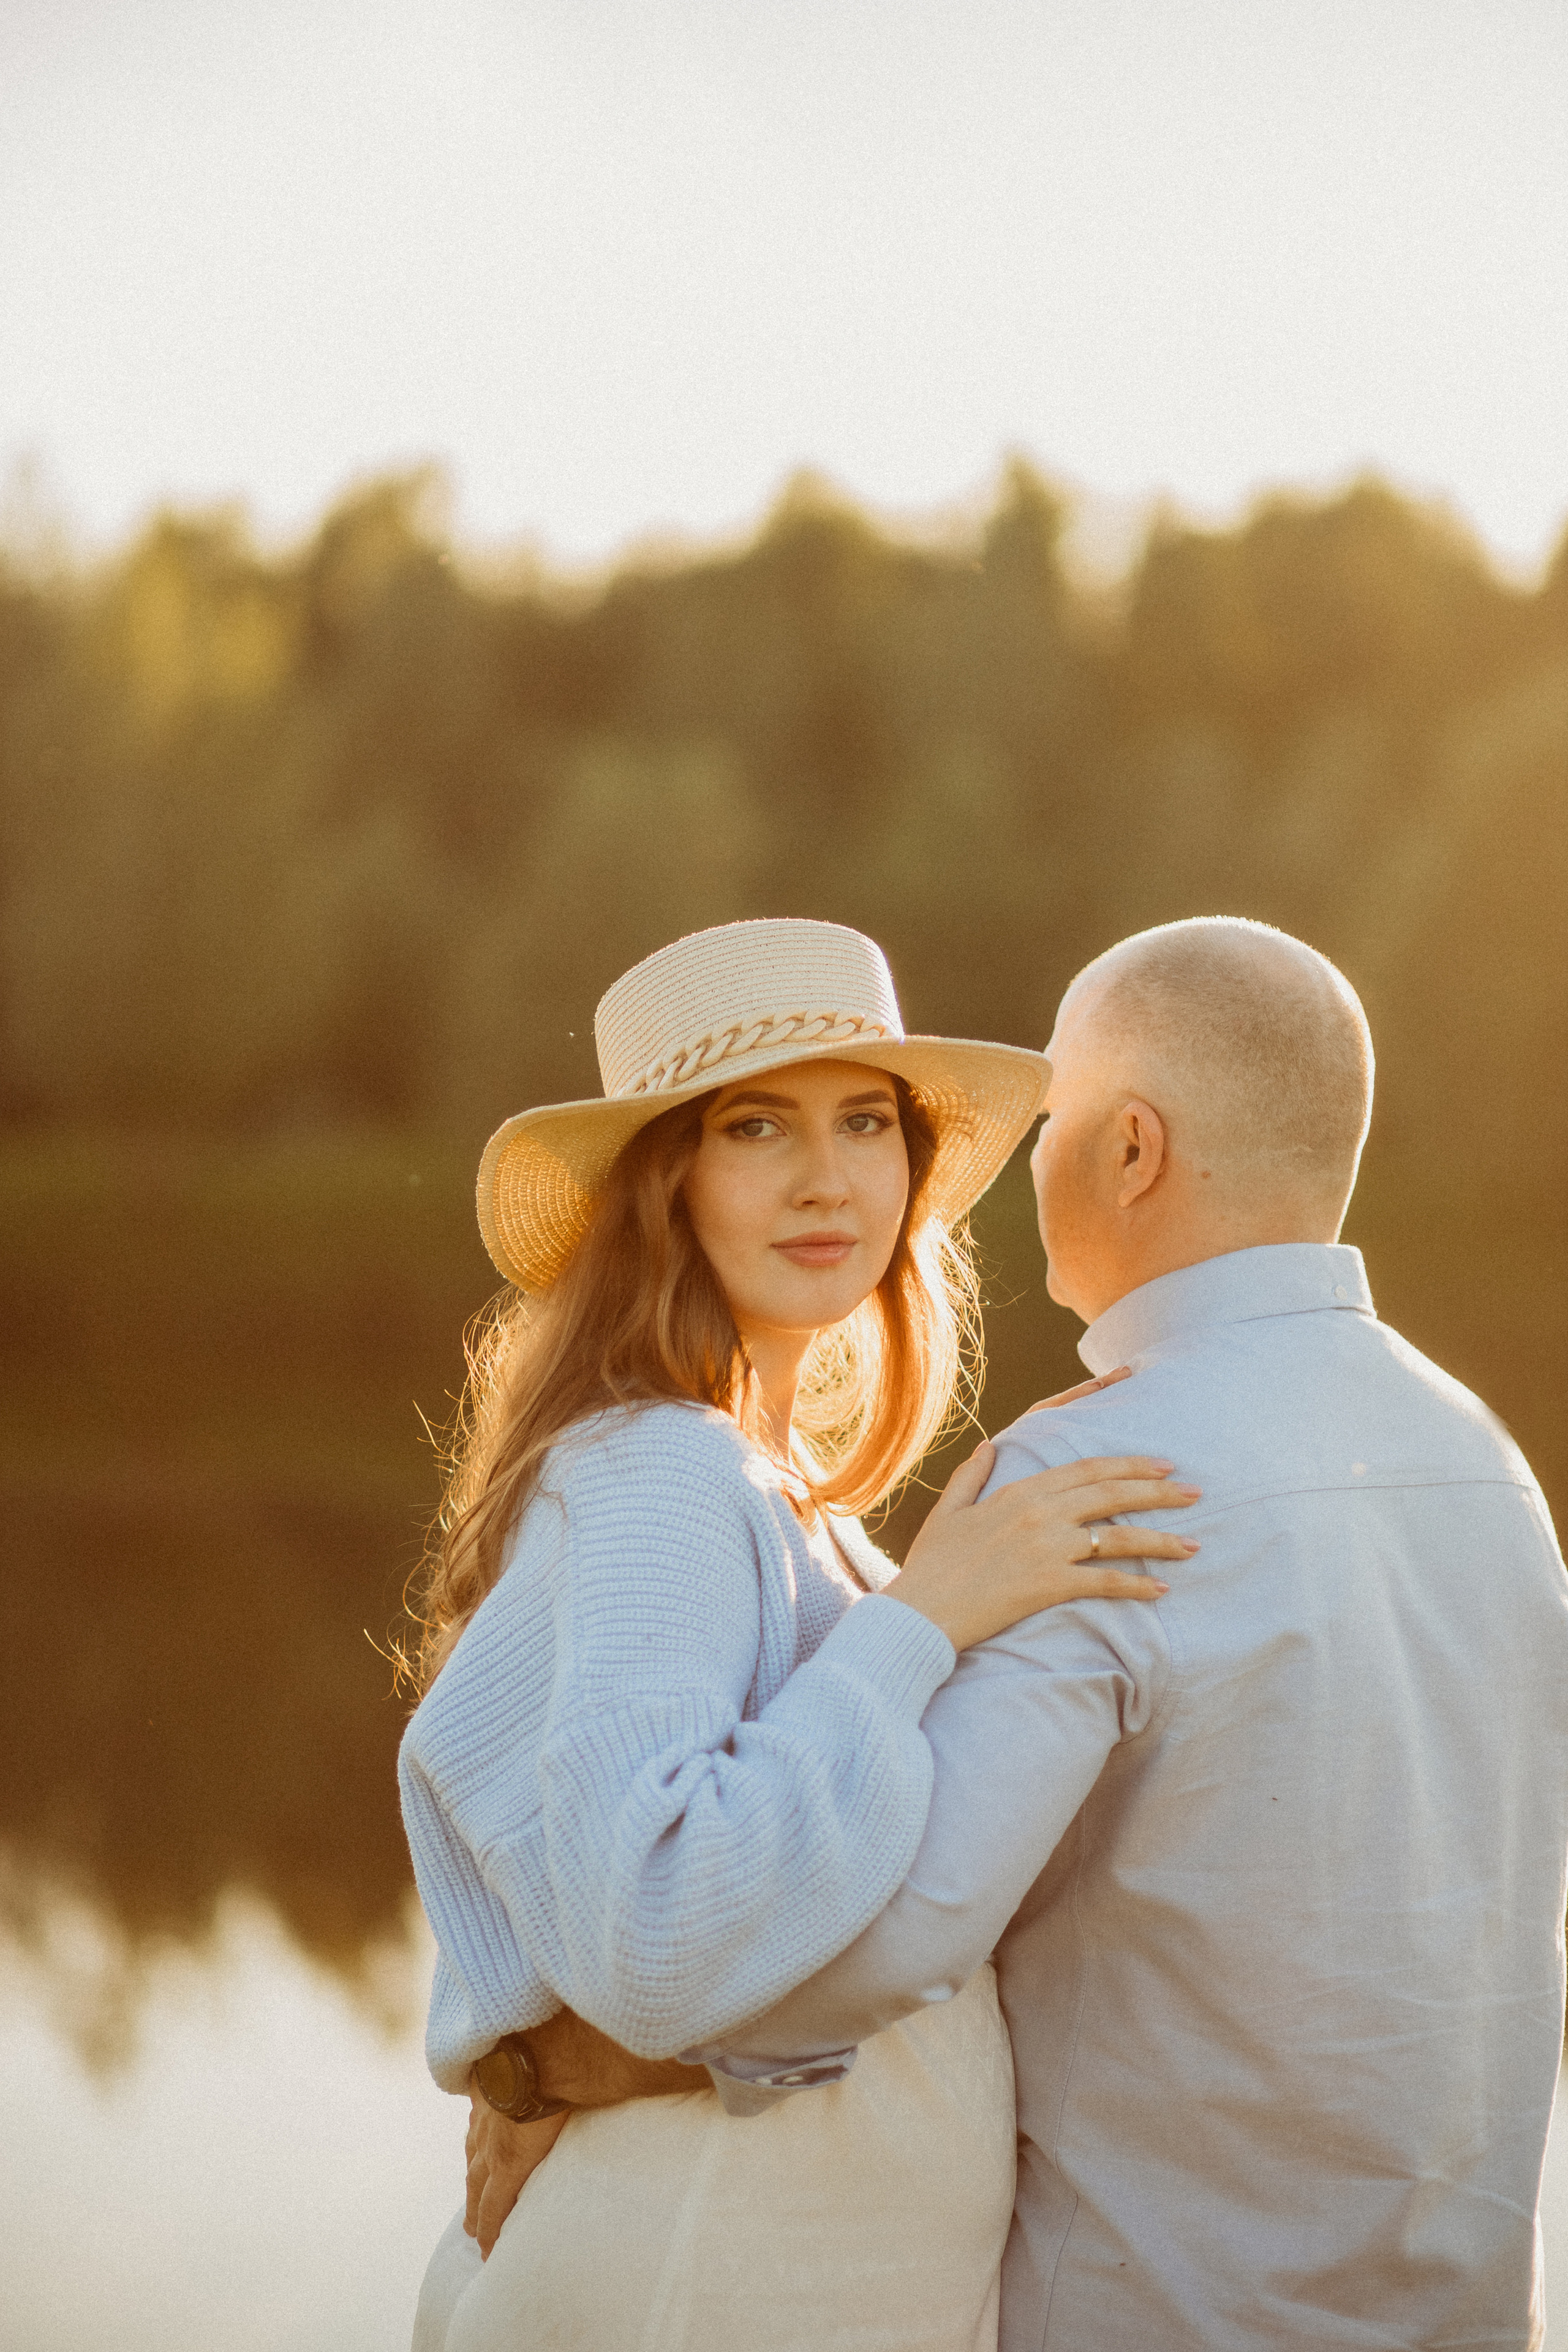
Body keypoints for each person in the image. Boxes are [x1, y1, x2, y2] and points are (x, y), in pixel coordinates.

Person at [502, 916, 1568, 2350]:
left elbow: (893, 1936)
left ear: (1129, 1151)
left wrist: (563, 2061)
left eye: (1056, 1119)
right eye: (759, 1127)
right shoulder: (1488, 1465)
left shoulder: (1093, 1475)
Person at [398, 916, 1197, 2352]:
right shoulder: (662, 1470)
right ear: (668, 1186)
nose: (828, 1180)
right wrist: (924, 1621)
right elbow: (651, 1933)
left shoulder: (758, 1492)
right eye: (756, 1127)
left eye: (865, 1122)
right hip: (707, 2270)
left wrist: (537, 2070)